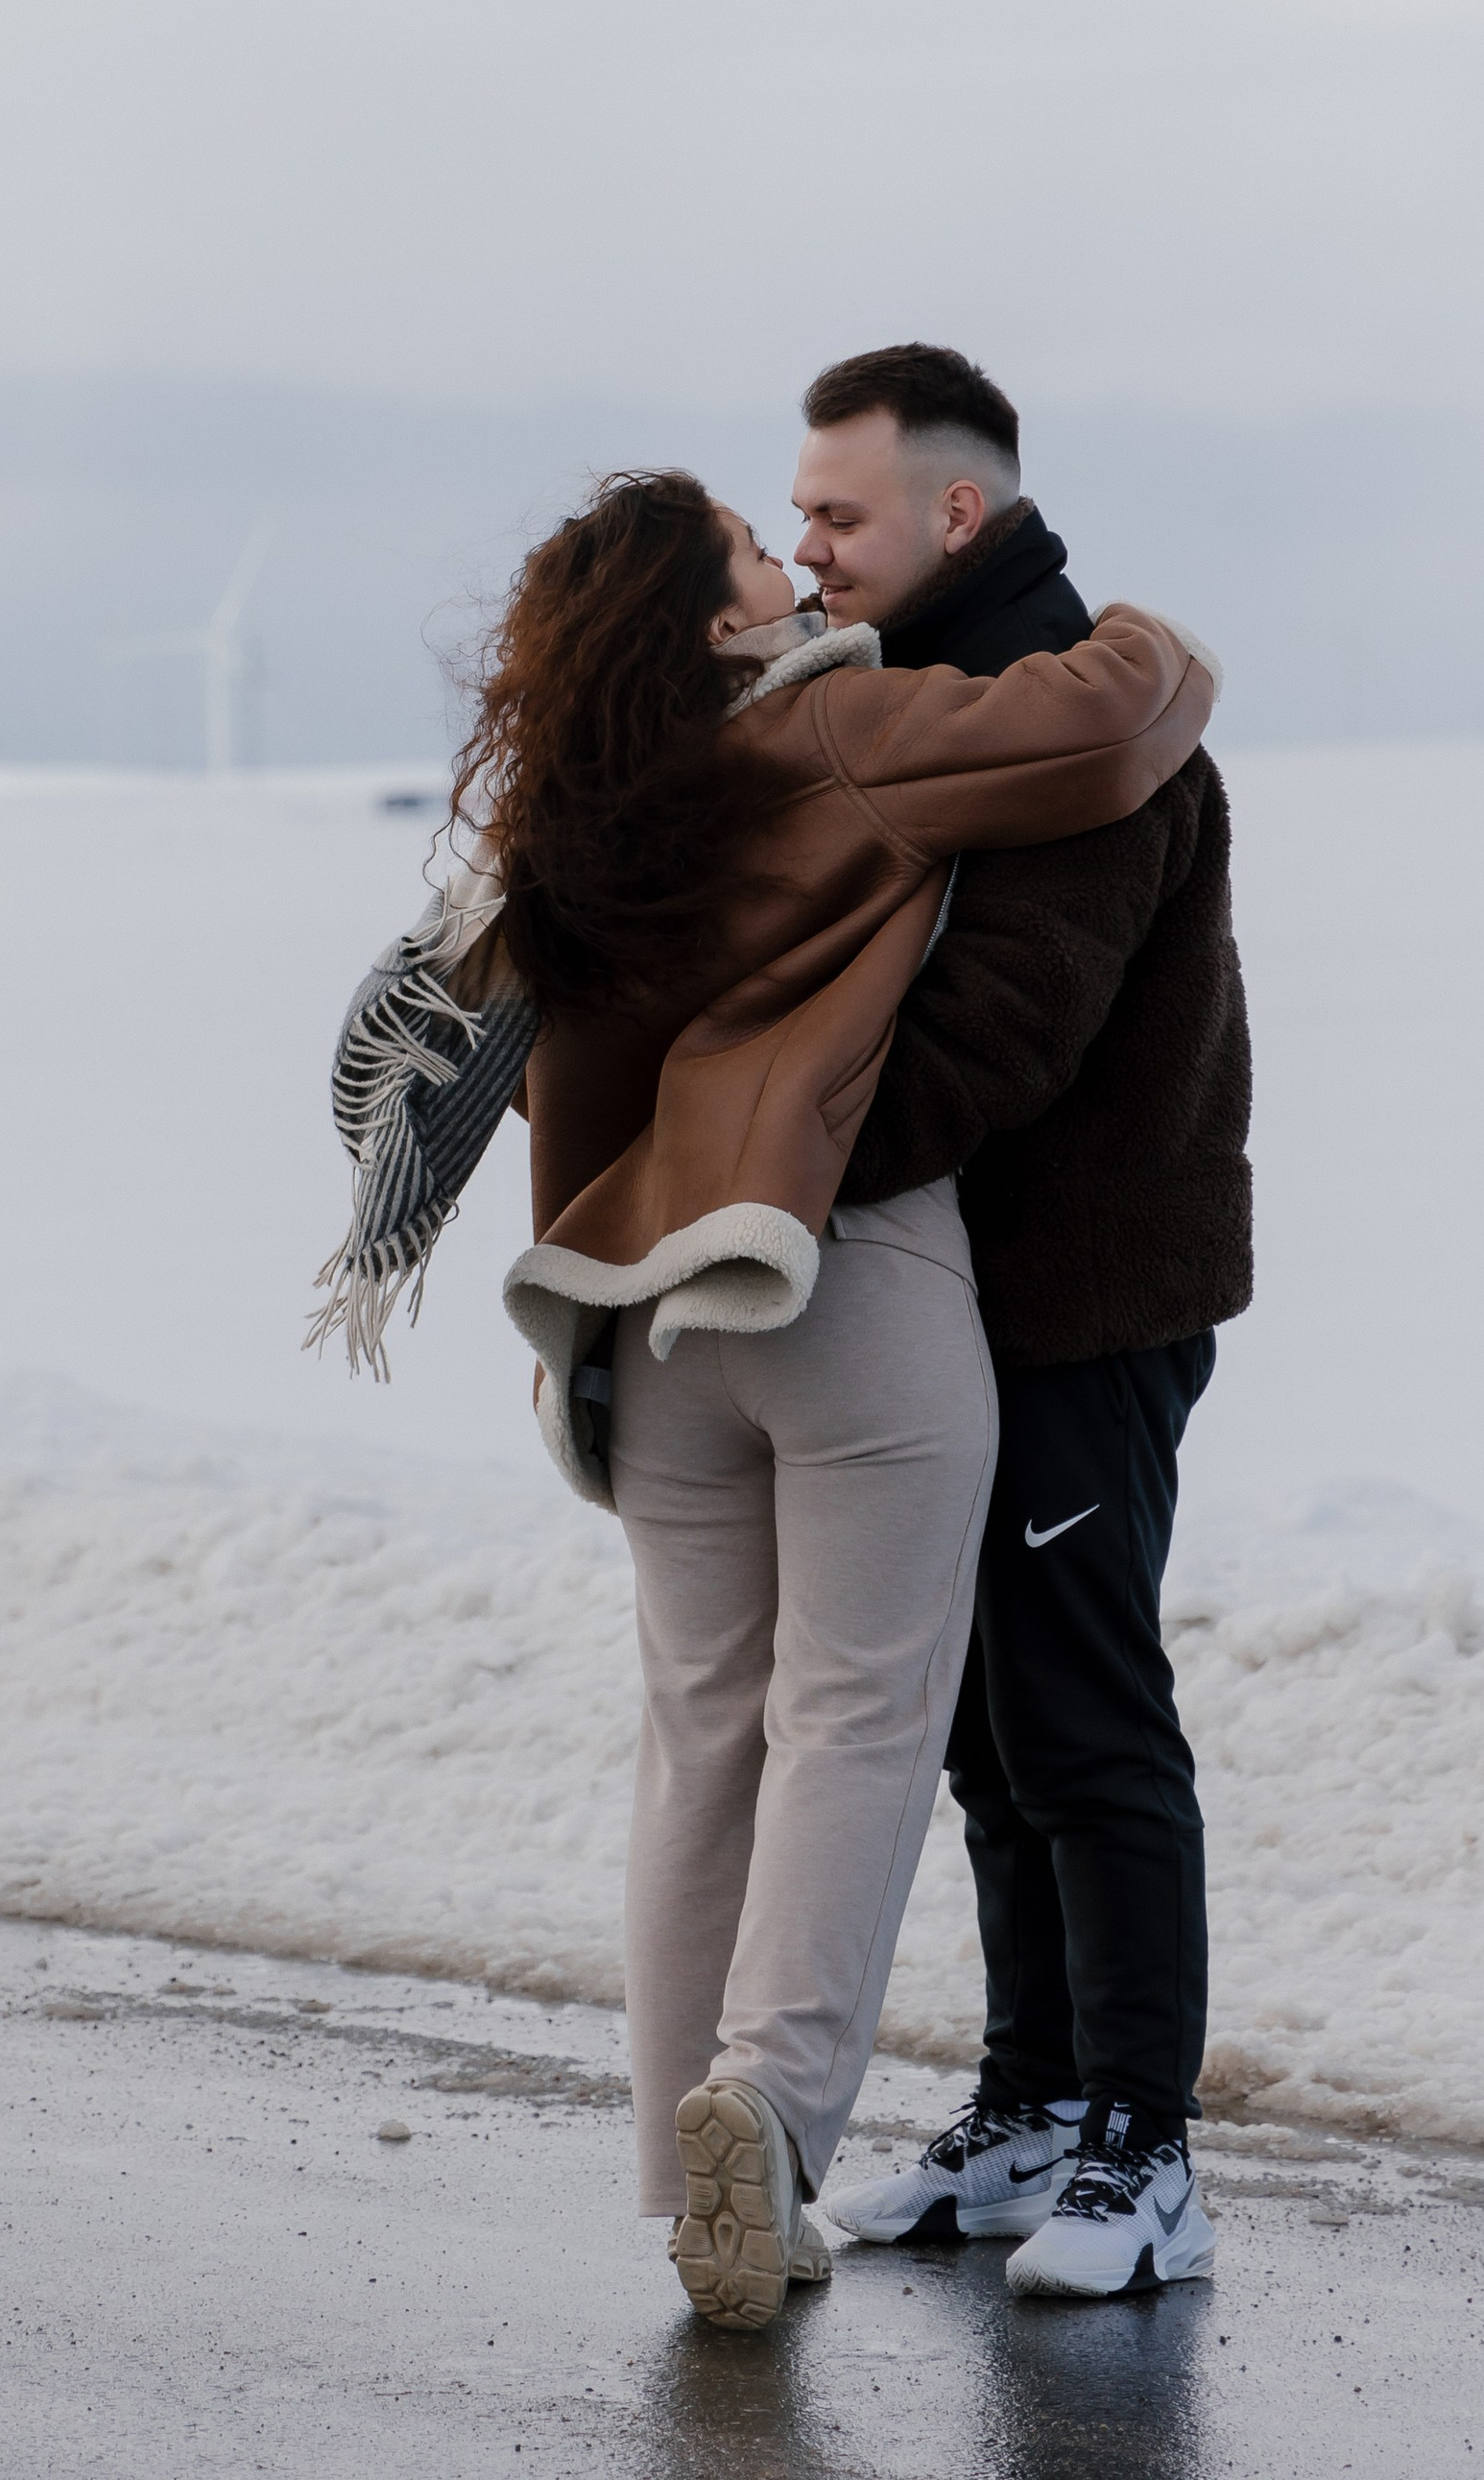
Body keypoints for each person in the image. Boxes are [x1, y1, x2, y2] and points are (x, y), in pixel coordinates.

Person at [314, 469, 1220, 2330]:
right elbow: (1111, 713)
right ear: (721, 627)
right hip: (833, 1277)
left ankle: (688, 2179)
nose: (790, 558)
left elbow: (399, 1053)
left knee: (698, 1731)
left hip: (636, 1322)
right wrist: (1134, 629)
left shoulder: (570, 822)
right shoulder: (837, 725)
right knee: (857, 1718)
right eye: (755, 547)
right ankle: (772, 2109)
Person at [794, 347, 1249, 2303]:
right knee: (986, 1734)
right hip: (962, 1300)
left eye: (835, 514)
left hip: (1082, 1304)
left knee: (1083, 1718)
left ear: (952, 515)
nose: (802, 548)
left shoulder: (1080, 737)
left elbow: (1000, 1035)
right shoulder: (933, 713)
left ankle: (1145, 2153)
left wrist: (751, 1170)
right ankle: (1028, 2106)